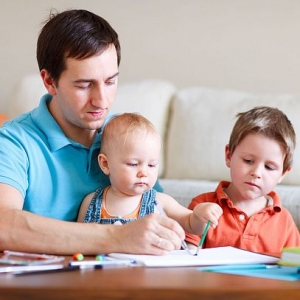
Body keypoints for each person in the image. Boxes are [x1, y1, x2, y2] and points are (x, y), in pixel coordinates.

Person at [0, 9, 185, 255]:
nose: (101, 101)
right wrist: (115, 236)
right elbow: (3, 225)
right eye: (85, 85)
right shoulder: (13, 141)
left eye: (110, 82)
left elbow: (156, 215)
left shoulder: (125, 136)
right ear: (49, 81)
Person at [77, 113, 222, 246]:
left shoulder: (159, 201)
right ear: (105, 164)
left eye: (152, 165)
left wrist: (199, 215)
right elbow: (80, 240)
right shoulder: (92, 202)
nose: (143, 173)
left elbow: (191, 224)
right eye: (133, 164)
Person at [185, 106, 300, 257]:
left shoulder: (284, 221)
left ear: (282, 174)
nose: (257, 173)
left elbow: (293, 268)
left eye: (269, 167)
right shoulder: (202, 206)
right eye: (248, 160)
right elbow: (186, 259)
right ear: (229, 155)